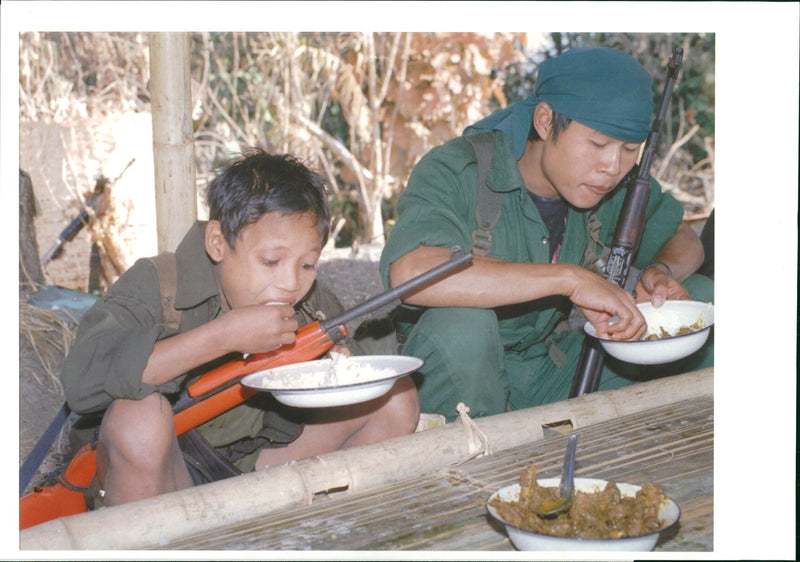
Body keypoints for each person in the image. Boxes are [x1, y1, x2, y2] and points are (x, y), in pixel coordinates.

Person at [61, 148, 420, 507]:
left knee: (394, 399)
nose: (291, 283)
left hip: (254, 465)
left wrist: (340, 364)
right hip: (167, 473)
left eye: (307, 265)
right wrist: (224, 335)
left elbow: (349, 359)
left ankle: (304, 526)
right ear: (218, 243)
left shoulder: (310, 301)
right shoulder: (160, 284)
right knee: (137, 420)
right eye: (270, 261)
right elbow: (83, 383)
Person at [379, 47, 713, 421]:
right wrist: (570, 279)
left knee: (701, 299)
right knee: (464, 326)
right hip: (458, 373)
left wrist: (661, 273)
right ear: (544, 120)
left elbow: (683, 238)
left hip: (544, 369)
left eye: (629, 149)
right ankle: (474, 455)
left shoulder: (609, 186)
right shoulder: (460, 169)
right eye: (598, 144)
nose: (612, 166)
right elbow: (410, 273)